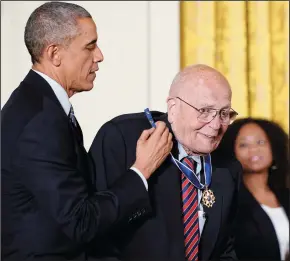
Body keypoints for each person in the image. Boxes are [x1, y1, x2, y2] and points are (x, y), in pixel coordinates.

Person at [1, 2, 173, 261]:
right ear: (55, 53)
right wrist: (142, 170)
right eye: (89, 46)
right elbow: (80, 221)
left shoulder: (41, 105)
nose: (99, 55)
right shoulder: (39, 121)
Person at [89, 64, 242, 261]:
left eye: (224, 113)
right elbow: (96, 233)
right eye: (204, 110)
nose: (215, 125)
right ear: (173, 108)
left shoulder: (227, 167)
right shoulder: (123, 139)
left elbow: (224, 250)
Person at [215, 118, 289, 260]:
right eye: (243, 145)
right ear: (232, 152)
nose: (253, 149)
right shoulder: (228, 202)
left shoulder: (285, 195)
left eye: (260, 142)